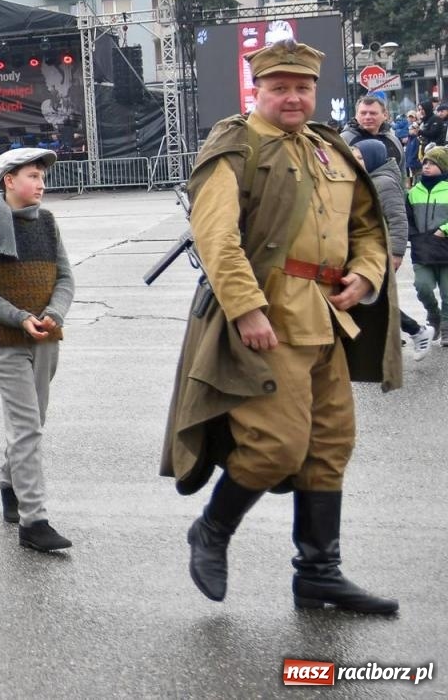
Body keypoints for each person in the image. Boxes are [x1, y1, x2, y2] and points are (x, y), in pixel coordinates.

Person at [163, 40, 400, 614]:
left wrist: (367, 276)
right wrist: (246, 309)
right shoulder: (236, 147)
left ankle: (319, 573)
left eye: (303, 88)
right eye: (280, 88)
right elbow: (218, 238)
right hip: (268, 316)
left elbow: (369, 228)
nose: (294, 98)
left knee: (329, 446)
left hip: (327, 316)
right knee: (276, 446)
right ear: (259, 91)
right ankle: (211, 531)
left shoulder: (329, 149)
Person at [0, 148, 75, 552]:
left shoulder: (48, 223)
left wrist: (53, 313)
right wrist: (18, 317)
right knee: (27, 427)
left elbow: (65, 277)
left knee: (34, 422)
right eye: (33, 176)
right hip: (6, 340)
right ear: (9, 180)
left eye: (42, 176)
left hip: (46, 337)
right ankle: (35, 521)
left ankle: (9, 482)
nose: (41, 183)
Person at [353, 139, 432, 358]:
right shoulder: (366, 179)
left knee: (371, 299)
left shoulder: (383, 183)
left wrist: (396, 253)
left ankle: (415, 331)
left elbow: (398, 219)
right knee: (370, 298)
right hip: (365, 249)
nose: (355, 161)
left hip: (380, 250)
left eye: (360, 157)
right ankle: (413, 332)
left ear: (372, 159)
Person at [406, 145, 448, 347]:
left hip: (445, 249)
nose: (427, 166)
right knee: (422, 287)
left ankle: (447, 329)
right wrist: (413, 235)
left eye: (433, 163)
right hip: (422, 250)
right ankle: (434, 316)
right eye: (425, 163)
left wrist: (445, 230)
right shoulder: (414, 192)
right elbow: (406, 218)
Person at [340, 95, 404, 163]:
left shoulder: (393, 140)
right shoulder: (343, 140)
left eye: (373, 113)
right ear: (356, 115)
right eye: (363, 113)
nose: (367, 117)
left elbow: (401, 171)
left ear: (385, 115)